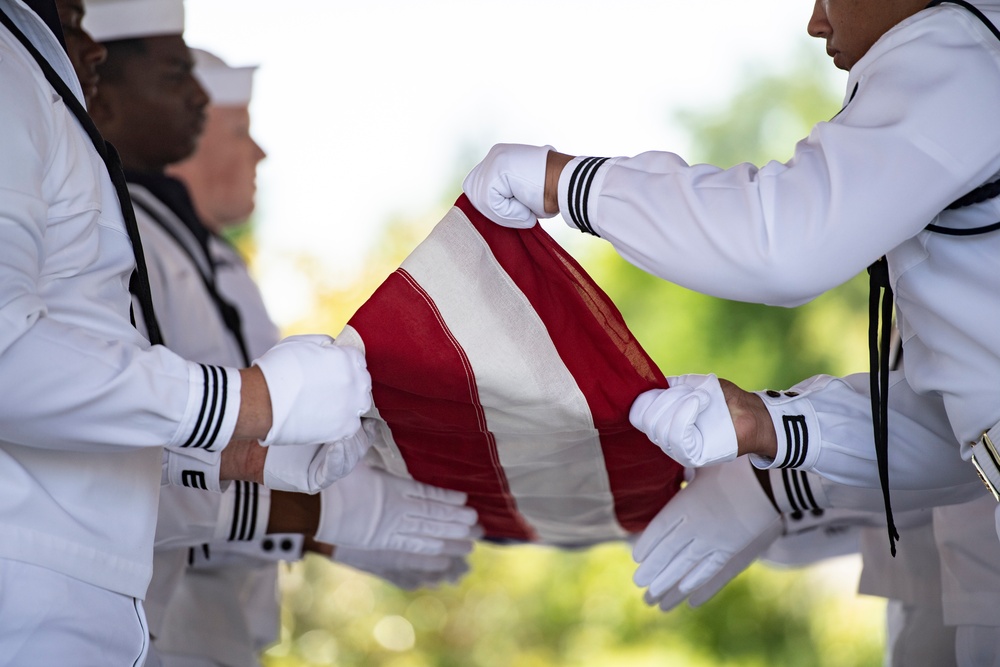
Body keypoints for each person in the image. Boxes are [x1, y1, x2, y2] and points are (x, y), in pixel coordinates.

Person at [462, 0, 1000, 661]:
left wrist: (570, 183)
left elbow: (783, 242)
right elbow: (959, 444)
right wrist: (767, 427)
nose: (817, 22)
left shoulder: (962, 44)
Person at [76, 6, 479, 663]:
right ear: (105, 97)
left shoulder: (202, 255)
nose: (255, 147)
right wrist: (314, 521)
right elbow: (104, 454)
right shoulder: (119, 237)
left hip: (204, 626)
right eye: (240, 129)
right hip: (151, 626)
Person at [0, 0, 383, 663]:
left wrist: (226, 455)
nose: (87, 47)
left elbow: (74, 395)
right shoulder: (9, 67)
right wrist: (245, 402)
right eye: (73, 14)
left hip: (92, 602)